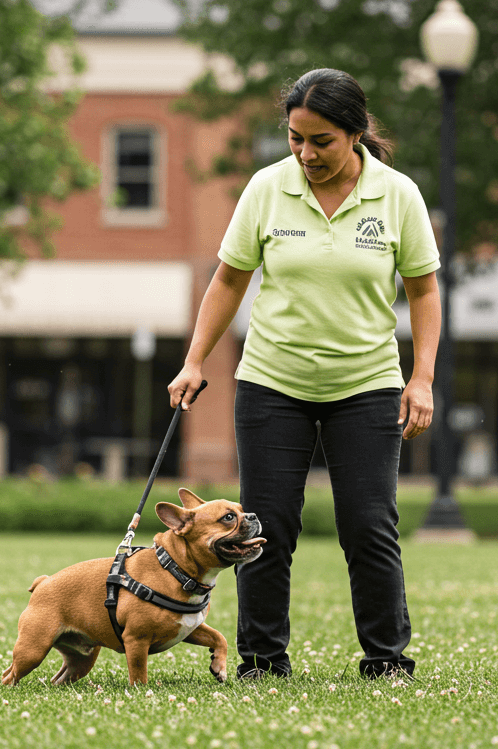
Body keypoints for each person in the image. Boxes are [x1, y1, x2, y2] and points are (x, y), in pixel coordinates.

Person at [167, 68, 442, 680]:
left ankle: (387, 660)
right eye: (295, 138)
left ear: (355, 133)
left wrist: (420, 377)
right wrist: (193, 360)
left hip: (367, 384)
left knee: (369, 525)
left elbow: (423, 292)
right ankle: (263, 661)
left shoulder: (397, 196)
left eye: (321, 141)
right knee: (266, 527)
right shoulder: (267, 189)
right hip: (272, 382)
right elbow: (230, 280)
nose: (305, 153)